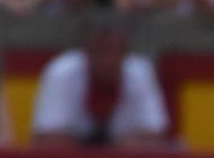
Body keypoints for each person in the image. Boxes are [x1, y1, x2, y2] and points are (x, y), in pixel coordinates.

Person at [31, 20, 169, 148]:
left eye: (114, 52)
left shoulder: (140, 73)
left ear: (125, 55)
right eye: (100, 51)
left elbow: (156, 138)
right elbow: (47, 139)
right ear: (86, 52)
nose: (107, 60)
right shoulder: (61, 72)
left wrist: (108, 144)